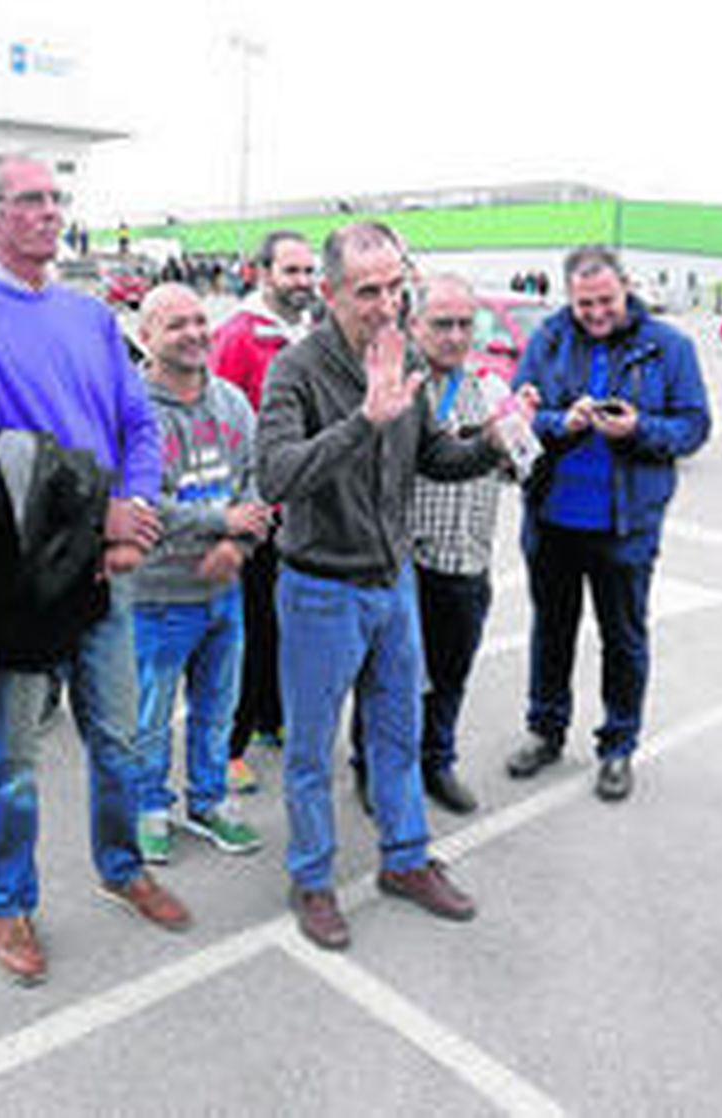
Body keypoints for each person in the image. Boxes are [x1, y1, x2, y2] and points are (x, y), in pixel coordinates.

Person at [0, 147, 190, 987]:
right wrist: (93, 514)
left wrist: (130, 524)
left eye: (56, 196)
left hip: (107, 574)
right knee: (9, 765)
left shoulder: (87, 317)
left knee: (117, 740)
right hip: (20, 585)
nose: (49, 211)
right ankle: (9, 901)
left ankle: (120, 867)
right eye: (30, 199)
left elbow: (137, 427)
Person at [258, 223, 518, 951]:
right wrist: (363, 421)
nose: (384, 304)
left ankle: (404, 861)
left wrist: (491, 443)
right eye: (367, 291)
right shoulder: (296, 370)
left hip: (391, 581)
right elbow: (276, 475)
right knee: (311, 751)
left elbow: (434, 454)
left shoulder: (399, 354)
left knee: (398, 734)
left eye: (393, 287)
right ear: (331, 291)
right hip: (319, 588)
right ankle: (312, 880)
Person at [507, 245, 711, 802]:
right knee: (552, 632)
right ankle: (545, 731)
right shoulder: (549, 338)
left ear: (626, 288)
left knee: (623, 640)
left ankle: (618, 746)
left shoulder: (668, 346)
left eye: (605, 301)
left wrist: (641, 429)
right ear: (567, 296)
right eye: (583, 303)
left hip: (625, 525)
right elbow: (518, 414)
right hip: (552, 519)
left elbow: (694, 427)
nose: (595, 313)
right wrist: (562, 421)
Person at [349, 274, 522, 816]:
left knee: (450, 674)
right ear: (414, 325)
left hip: (468, 562)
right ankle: (369, 767)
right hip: (406, 564)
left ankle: (436, 762)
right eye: (441, 324)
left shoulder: (490, 389)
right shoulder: (394, 388)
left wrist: (522, 434)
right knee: (386, 680)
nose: (454, 336)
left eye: (465, 324)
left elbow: (522, 467)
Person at [131, 283, 269, 864]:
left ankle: (208, 803)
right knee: (151, 718)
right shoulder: (130, 410)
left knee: (218, 709)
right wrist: (221, 518)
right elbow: (139, 503)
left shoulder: (234, 403)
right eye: (174, 325)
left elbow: (260, 485)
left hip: (225, 590)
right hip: (157, 596)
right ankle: (147, 808)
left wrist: (237, 545)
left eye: (197, 320)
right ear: (146, 338)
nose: (193, 333)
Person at [209, 230, 318, 794]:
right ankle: (228, 744)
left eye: (307, 271)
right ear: (261, 273)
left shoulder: (308, 332)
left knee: (280, 623)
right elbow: (220, 423)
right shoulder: (236, 337)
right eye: (291, 272)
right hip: (254, 509)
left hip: (299, 507)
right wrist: (236, 509)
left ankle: (270, 719)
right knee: (244, 628)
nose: (302, 282)